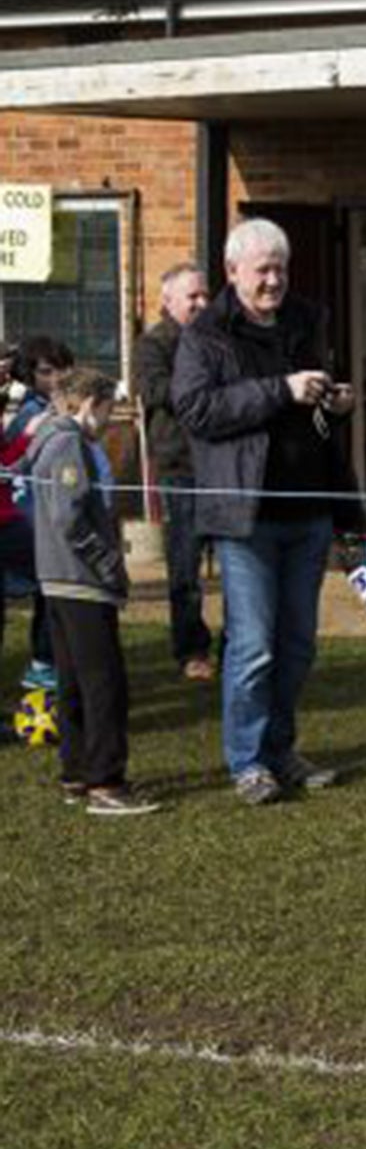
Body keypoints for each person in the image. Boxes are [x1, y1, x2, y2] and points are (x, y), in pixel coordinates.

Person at [172, 217, 356, 805]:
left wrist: (335, 399)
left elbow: (311, 406)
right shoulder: (206, 333)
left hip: (309, 507)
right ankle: (247, 761)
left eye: (280, 267)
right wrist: (282, 389)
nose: (274, 280)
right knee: (254, 645)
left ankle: (282, 750)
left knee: (299, 643)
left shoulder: (306, 319)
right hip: (245, 515)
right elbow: (196, 409)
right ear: (232, 272)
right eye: (262, 270)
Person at [20, 368, 159, 814]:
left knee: (76, 681)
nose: (108, 419)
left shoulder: (53, 439)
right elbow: (70, 517)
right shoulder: (67, 443)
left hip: (61, 579)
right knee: (104, 684)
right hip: (80, 581)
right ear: (89, 404)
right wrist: (107, 563)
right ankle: (106, 782)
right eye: (106, 410)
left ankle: (77, 772)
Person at [135, 262, 217, 681]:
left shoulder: (220, 337)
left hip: (222, 466)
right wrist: (203, 386)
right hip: (181, 467)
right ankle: (191, 650)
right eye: (193, 297)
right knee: (185, 567)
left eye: (205, 295)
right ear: (168, 302)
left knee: (238, 560)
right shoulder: (154, 344)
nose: (202, 303)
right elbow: (154, 390)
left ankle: (238, 645)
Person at [1, 335, 77, 693]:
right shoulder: (28, 410)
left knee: (53, 573)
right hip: (15, 520)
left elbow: (9, 461)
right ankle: (45, 662)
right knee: (53, 571)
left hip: (12, 520)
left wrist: (28, 436)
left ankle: (45, 663)